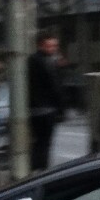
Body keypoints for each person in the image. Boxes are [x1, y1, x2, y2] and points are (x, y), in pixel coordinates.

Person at [29, 31, 65, 172]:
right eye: (50, 46)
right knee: (44, 143)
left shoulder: (34, 60)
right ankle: (40, 170)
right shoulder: (46, 62)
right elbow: (55, 86)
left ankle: (38, 168)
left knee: (39, 142)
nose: (53, 49)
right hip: (46, 108)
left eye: (55, 46)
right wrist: (61, 108)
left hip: (38, 108)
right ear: (41, 45)